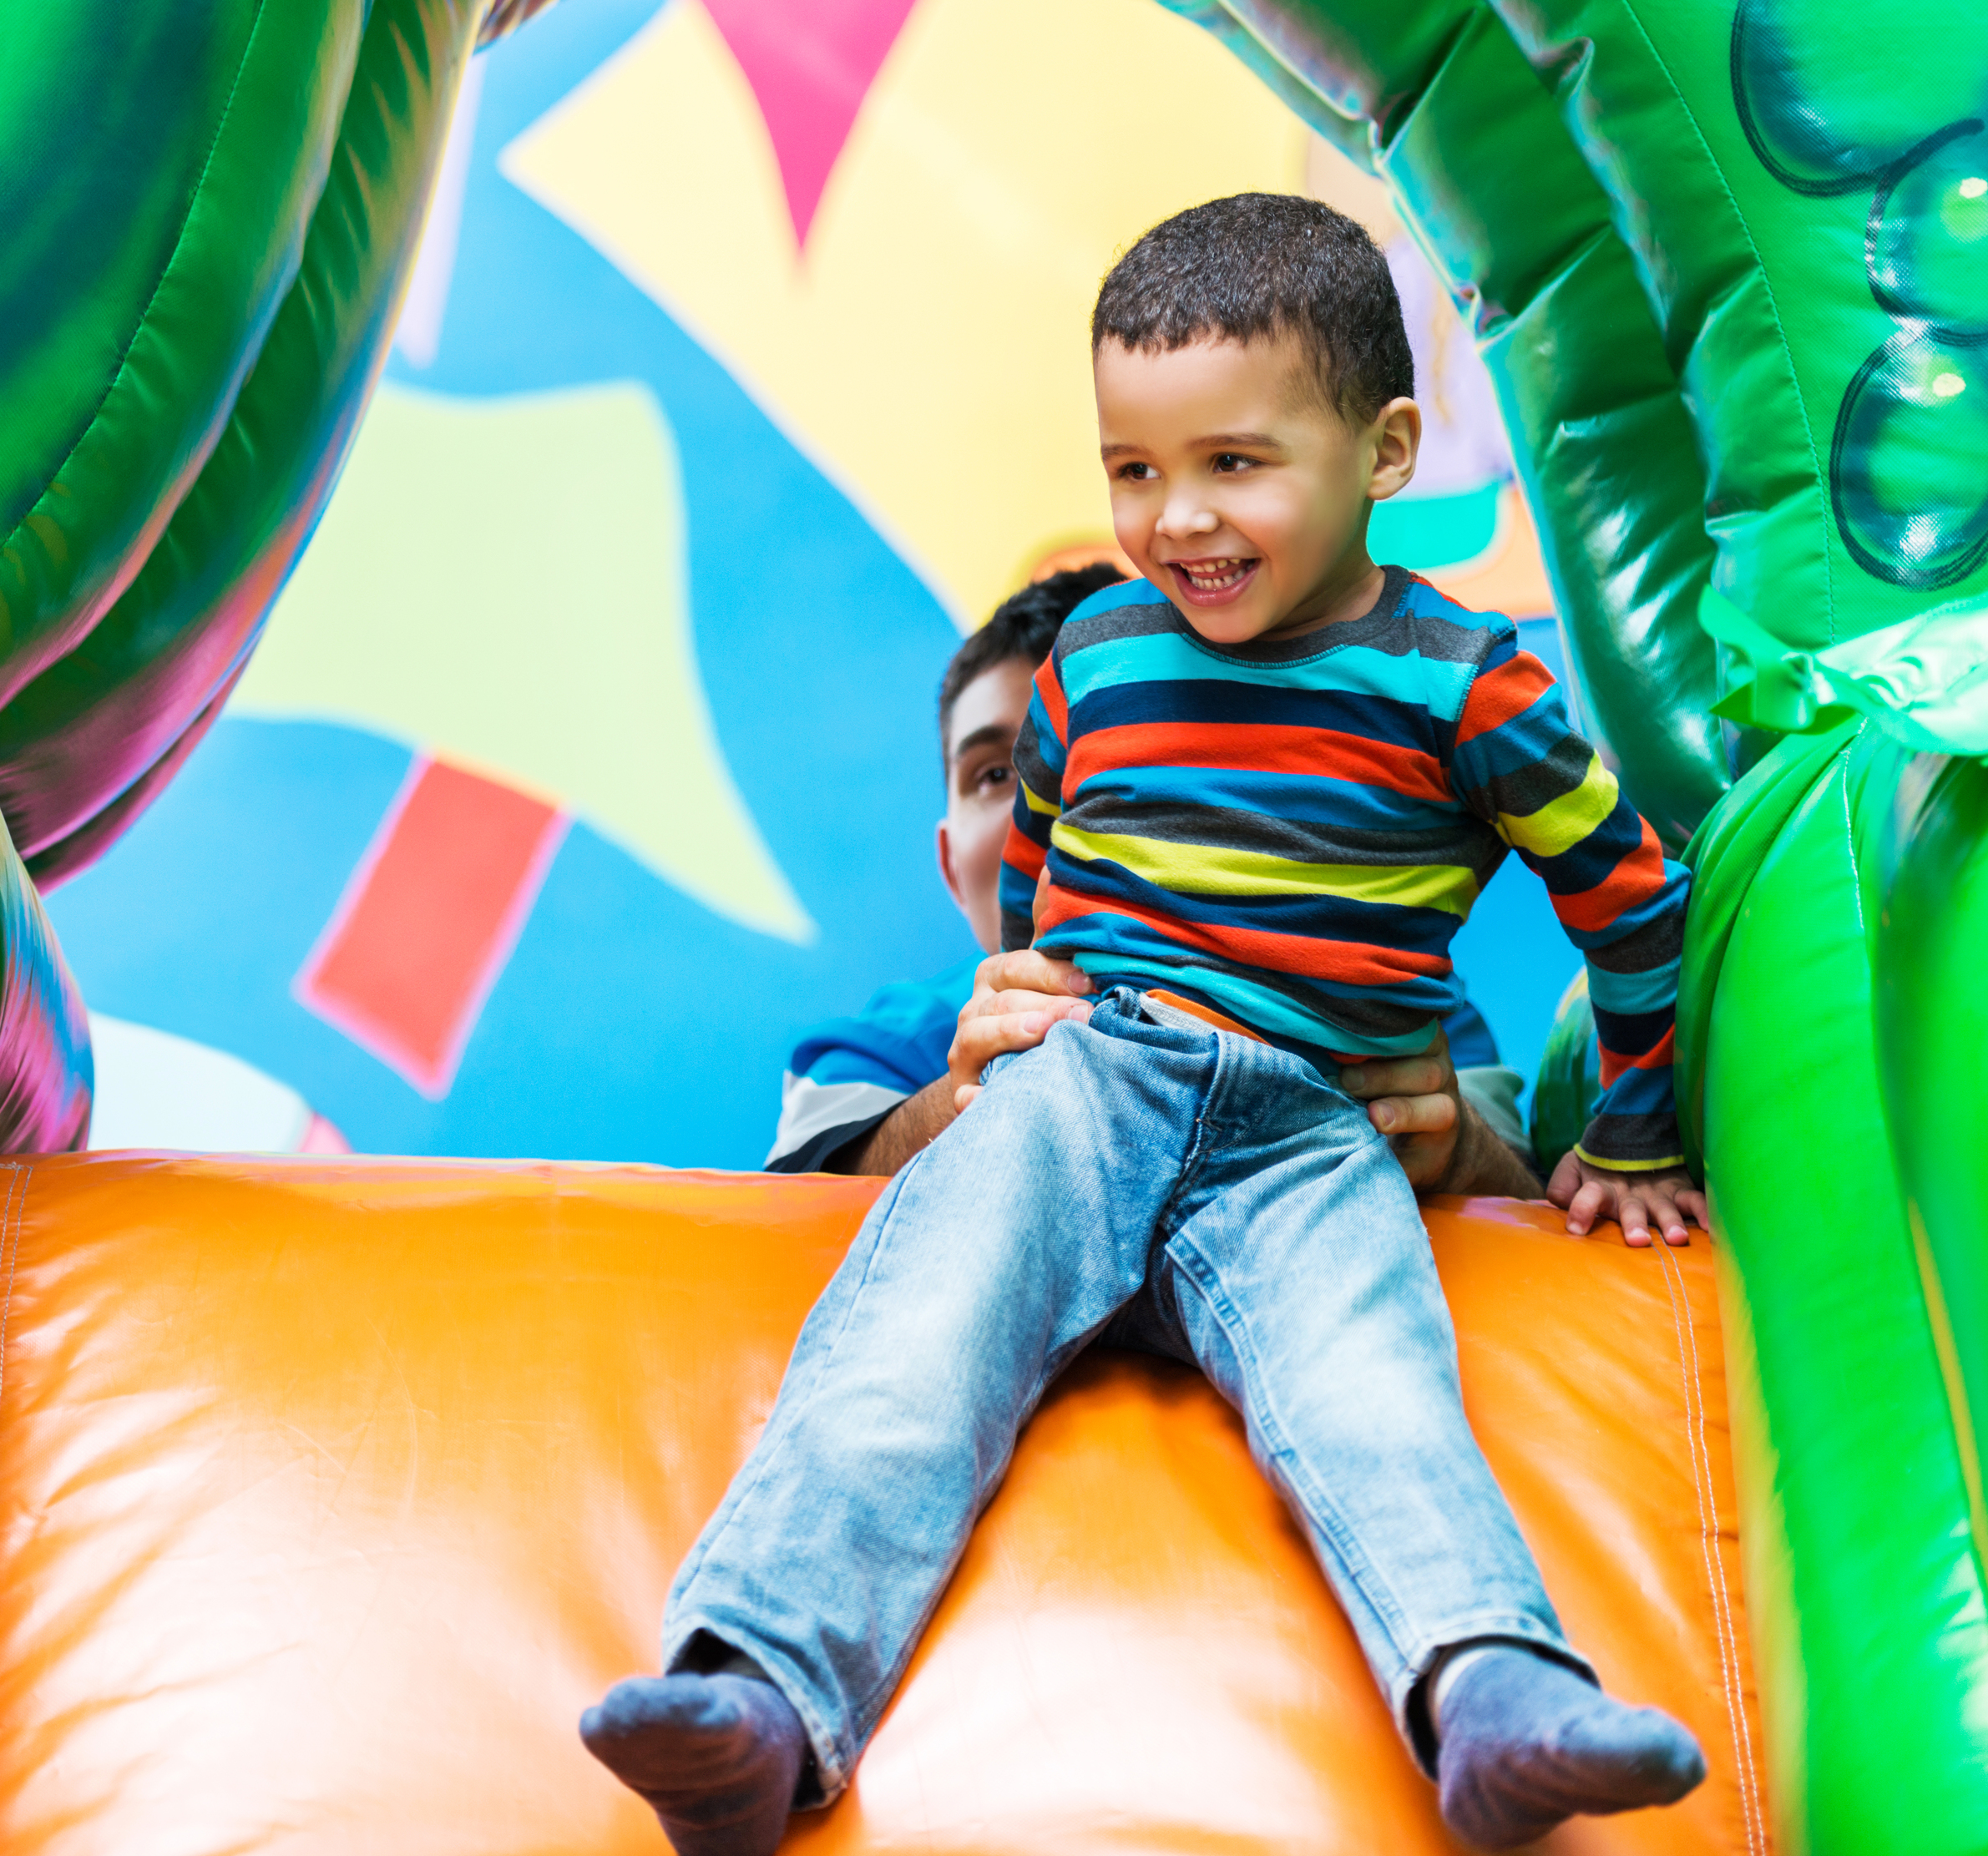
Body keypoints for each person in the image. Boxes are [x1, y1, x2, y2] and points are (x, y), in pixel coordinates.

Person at [584, 194, 1710, 1854]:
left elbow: (1632, 897)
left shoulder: (1470, 684)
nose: (1174, 518)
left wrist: (1628, 1129)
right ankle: (756, 1687)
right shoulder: (1097, 653)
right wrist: (1036, 987)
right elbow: (1045, 848)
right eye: (1131, 470)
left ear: (1387, 448)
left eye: (1233, 464)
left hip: (1314, 1121)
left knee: (1375, 1387)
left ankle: (1497, 1691)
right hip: (1090, 1072)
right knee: (917, 1334)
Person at [765, 564, 1539, 1195]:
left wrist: (1460, 1146)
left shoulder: (1396, 1005)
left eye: (1115, 750)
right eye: (997, 772)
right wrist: (968, 1101)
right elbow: (779, 1203)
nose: (1059, 797)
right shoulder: (899, 1041)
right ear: (950, 863)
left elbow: (1523, 1189)